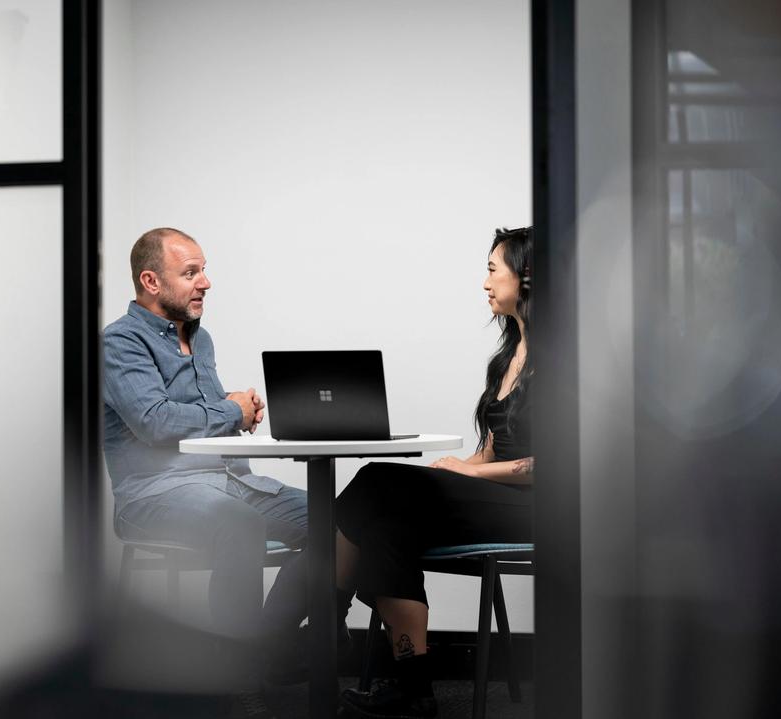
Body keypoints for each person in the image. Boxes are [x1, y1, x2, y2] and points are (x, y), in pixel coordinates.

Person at [103, 227, 308, 715]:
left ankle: (264, 646)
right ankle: (237, 679)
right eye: (190, 272)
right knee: (240, 523)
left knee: (342, 520)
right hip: (152, 493)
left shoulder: (201, 338)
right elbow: (155, 423)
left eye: (203, 270)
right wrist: (231, 412)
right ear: (150, 281)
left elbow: (201, 419)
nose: (205, 282)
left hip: (231, 482)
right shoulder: (118, 344)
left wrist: (238, 409)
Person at [334, 226, 536, 718]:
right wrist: (452, 469)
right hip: (496, 499)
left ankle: (322, 619)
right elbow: (492, 451)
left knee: (378, 482)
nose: (485, 282)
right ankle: (413, 688)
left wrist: (465, 478)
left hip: (536, 509)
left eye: (493, 270)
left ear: (527, 279)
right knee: (387, 521)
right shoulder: (508, 358)